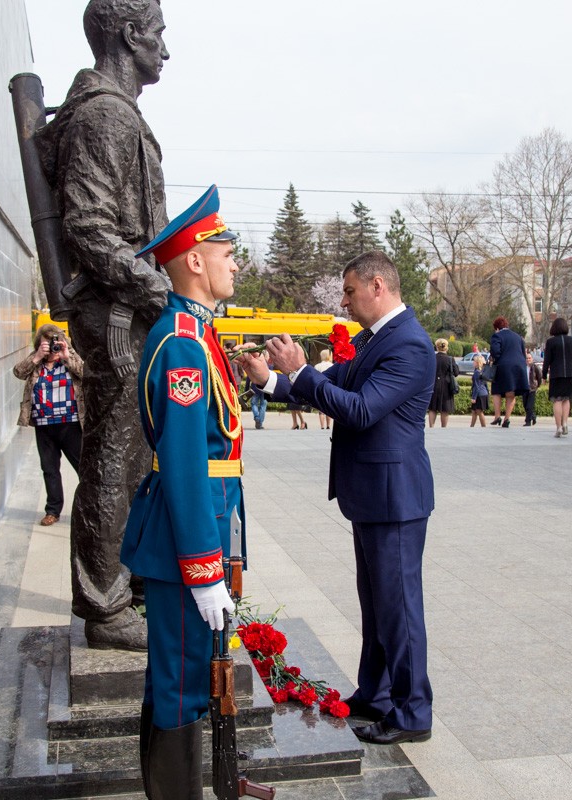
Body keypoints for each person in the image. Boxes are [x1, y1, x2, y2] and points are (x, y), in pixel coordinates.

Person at [239, 251, 435, 746]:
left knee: (399, 608)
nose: (344, 302)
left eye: (349, 291)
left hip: (395, 497)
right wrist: (271, 379)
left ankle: (413, 713)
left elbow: (362, 410)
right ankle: (377, 694)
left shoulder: (409, 343)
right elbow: (329, 387)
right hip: (373, 494)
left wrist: (300, 370)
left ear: (377, 285)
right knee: (378, 604)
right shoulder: (377, 339)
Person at [35, 0, 174, 649]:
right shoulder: (104, 116)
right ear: (129, 33)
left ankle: (128, 582)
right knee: (113, 459)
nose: (165, 49)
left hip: (129, 309)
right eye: (159, 34)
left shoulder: (117, 114)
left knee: (135, 455)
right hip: (118, 315)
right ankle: (104, 604)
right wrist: (155, 286)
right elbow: (89, 227)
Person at [120, 186, 245, 798]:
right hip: (184, 542)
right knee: (181, 683)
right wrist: (204, 570)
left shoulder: (196, 334)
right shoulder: (182, 345)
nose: (235, 263)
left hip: (201, 532)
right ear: (195, 260)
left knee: (183, 675)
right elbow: (186, 464)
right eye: (227, 252)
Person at [13, 323, 85, 525]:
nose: (52, 349)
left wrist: (66, 356)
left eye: (55, 343)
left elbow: (86, 373)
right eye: (47, 345)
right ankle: (52, 511)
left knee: (83, 468)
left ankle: (88, 509)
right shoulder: (36, 361)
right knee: (49, 469)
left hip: (70, 425)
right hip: (44, 426)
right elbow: (18, 372)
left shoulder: (69, 358)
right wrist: (37, 356)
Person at [542, 318, 572, 438]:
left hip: (556, 374)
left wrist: (544, 375)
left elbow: (547, 360)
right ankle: (565, 423)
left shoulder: (551, 342)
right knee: (566, 399)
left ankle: (558, 427)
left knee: (557, 400)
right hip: (570, 374)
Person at [488, 317, 528, 427]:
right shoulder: (518, 337)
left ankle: (497, 416)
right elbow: (523, 352)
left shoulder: (497, 336)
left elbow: (495, 352)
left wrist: (495, 359)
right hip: (518, 366)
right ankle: (507, 419)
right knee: (511, 392)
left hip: (503, 366)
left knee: (496, 391)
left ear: (497, 328)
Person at [427, 338, 458, 428]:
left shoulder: (432, 358)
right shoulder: (450, 359)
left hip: (433, 385)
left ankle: (431, 427)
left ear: (437, 347)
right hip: (446, 386)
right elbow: (456, 373)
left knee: (432, 408)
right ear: (447, 347)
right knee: (445, 409)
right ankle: (443, 428)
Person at [314, 349, 336, 429]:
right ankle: (328, 425)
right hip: (330, 388)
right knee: (329, 408)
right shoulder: (332, 365)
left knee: (321, 409)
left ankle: (322, 426)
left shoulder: (317, 366)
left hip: (319, 388)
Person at [521, 351, 543, 426]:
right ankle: (533, 416)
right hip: (524, 388)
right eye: (527, 358)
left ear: (532, 359)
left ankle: (528, 421)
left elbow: (539, 377)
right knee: (525, 405)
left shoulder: (535, 367)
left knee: (529, 406)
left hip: (532, 389)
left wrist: (537, 386)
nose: (528, 360)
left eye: (529, 358)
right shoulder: (523, 367)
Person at [469, 354, 490, 427]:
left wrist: (474, 397)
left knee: (479, 411)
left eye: (474, 361)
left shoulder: (477, 373)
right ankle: (472, 426)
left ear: (477, 363)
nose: (473, 362)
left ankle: (483, 427)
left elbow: (477, 386)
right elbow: (485, 384)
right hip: (484, 393)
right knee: (474, 411)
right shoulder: (482, 371)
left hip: (479, 394)